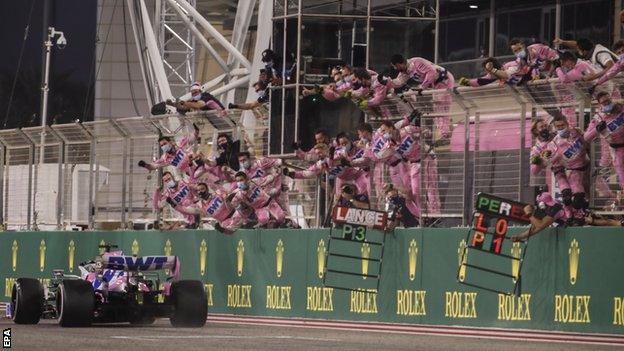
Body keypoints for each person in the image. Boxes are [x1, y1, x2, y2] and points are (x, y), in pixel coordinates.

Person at [386, 54, 454, 138]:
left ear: (400, 63)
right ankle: (446, 131)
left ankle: (445, 132)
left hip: (444, 80)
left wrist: (422, 86)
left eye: (396, 66)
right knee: (438, 107)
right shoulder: (406, 71)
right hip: (436, 84)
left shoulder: (416, 62)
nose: (396, 69)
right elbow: (398, 82)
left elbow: (431, 72)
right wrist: (387, 82)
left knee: (441, 106)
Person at [544, 116, 590, 210]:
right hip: (574, 170)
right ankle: (576, 203)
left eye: (562, 125)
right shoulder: (553, 144)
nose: (560, 127)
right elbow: (549, 161)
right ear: (555, 127)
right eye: (558, 126)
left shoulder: (577, 132)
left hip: (589, 166)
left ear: (567, 124)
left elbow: (587, 139)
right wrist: (550, 157)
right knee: (579, 193)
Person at [585, 91, 624, 193]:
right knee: (620, 171)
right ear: (599, 104)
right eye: (604, 102)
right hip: (616, 148)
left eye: (608, 100)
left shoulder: (621, 107)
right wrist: (597, 129)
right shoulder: (598, 118)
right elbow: (586, 137)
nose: (607, 103)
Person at [167, 182, 238, 234]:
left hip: (235, 213)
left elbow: (230, 194)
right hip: (225, 222)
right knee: (223, 228)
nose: (200, 192)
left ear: (207, 189)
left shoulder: (217, 193)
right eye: (198, 190)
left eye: (202, 189)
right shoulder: (200, 206)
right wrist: (174, 205)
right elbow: (186, 210)